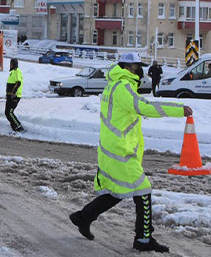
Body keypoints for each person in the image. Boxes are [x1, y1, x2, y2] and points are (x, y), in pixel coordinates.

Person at [69, 52, 192, 253]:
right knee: (143, 190)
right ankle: (143, 239)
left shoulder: (117, 84)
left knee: (118, 191)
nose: (140, 70)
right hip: (120, 150)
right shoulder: (122, 87)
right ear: (128, 67)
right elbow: (143, 107)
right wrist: (178, 109)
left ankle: (82, 218)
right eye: (137, 66)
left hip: (115, 147)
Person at [5, 58, 26, 133]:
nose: (9, 65)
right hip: (10, 96)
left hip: (14, 96)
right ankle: (15, 128)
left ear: (12, 64)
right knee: (7, 113)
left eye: (10, 63)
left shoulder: (17, 71)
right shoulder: (13, 72)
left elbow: (18, 83)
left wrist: (13, 93)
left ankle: (18, 127)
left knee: (9, 112)